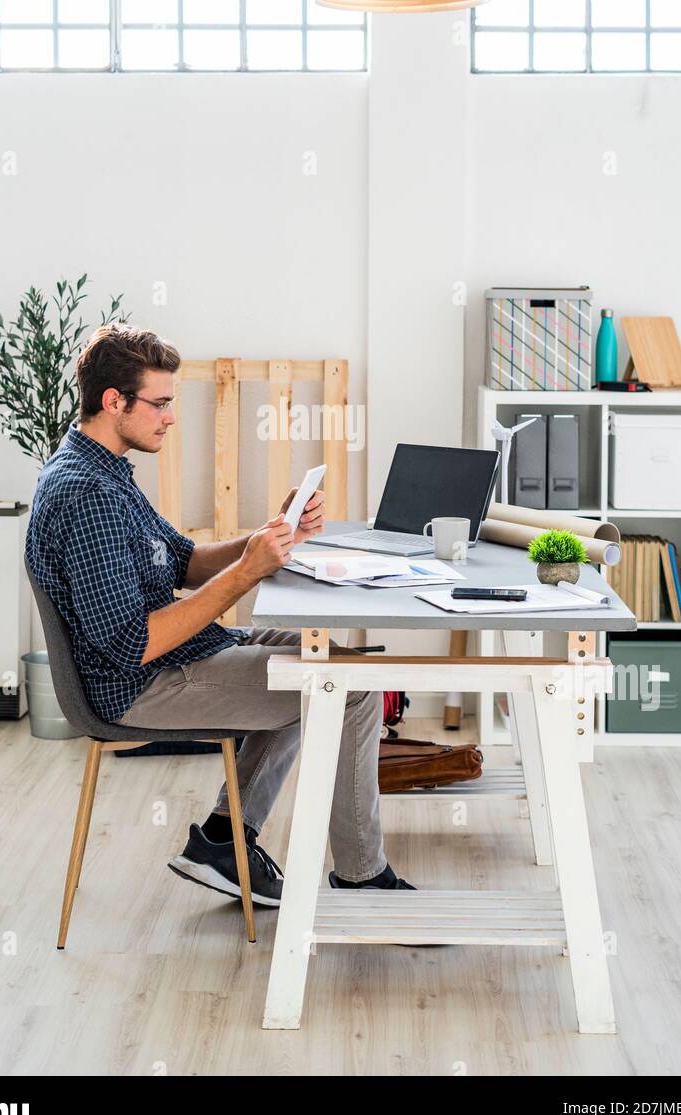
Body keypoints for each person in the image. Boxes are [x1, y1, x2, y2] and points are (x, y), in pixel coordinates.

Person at [26, 324, 413, 909]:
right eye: (160, 403)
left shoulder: (106, 471)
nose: (170, 417)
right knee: (347, 689)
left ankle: (222, 842)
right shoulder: (87, 494)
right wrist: (248, 571)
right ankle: (361, 876)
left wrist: (266, 536)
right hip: (137, 685)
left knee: (322, 659)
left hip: (165, 659)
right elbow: (132, 644)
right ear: (114, 402)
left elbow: (182, 561)